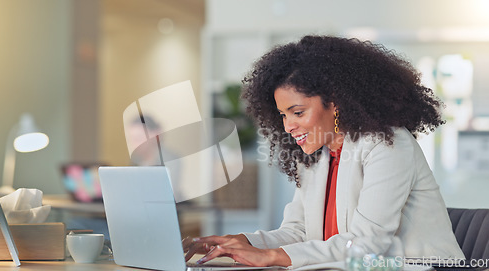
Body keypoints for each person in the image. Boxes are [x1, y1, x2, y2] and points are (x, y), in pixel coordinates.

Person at [183, 35, 465, 268]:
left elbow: (367, 244)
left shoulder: (388, 144)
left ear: (336, 103)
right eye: (282, 115)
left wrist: (271, 256)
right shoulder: (316, 155)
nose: (289, 125)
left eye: (297, 112)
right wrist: (241, 243)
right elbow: (298, 232)